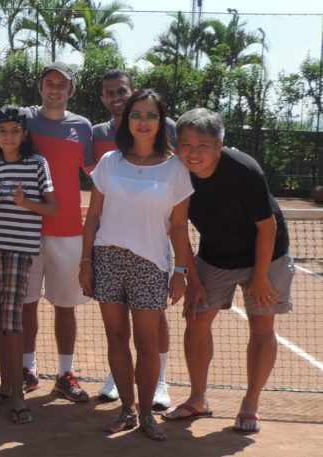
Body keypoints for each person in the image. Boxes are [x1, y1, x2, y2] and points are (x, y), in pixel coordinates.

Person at [164, 108, 294, 435]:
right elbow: (178, 228)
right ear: (177, 147)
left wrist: (260, 278)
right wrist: (191, 278)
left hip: (266, 254)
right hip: (216, 254)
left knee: (261, 326)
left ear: (219, 146)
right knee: (196, 320)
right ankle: (197, 399)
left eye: (203, 145)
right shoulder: (176, 172)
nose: (193, 153)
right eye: (186, 144)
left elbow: (267, 228)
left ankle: (250, 403)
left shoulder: (245, 171)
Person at [80, 89, 193, 441]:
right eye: (137, 115)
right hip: (107, 258)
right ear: (127, 120)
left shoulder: (176, 168)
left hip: (151, 265)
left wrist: (180, 272)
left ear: (161, 122)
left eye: (151, 115)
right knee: (116, 338)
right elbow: (93, 216)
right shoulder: (109, 162)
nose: (143, 122)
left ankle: (146, 414)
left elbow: (179, 226)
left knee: (147, 343)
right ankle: (127, 410)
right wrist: (86, 262)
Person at [91, 69, 174, 409]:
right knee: (117, 333)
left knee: (153, 324)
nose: (116, 98)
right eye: (109, 93)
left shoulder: (167, 131)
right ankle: (119, 380)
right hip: (110, 250)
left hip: (152, 249)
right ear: (102, 98)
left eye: (121, 91)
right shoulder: (97, 135)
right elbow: (96, 202)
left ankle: (159, 381)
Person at [0, 106, 58, 424]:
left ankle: (18, 398)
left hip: (19, 252)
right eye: (3, 131)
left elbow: (53, 208)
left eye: (14, 131)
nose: (8, 137)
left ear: (24, 135)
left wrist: (27, 203)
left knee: (12, 323)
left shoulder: (37, 164)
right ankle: (6, 385)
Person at [23, 62, 93, 402]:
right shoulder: (23, 119)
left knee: (65, 306)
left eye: (61, 84)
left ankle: (65, 374)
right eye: (49, 82)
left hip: (67, 231)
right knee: (26, 303)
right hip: (25, 227)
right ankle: (27, 369)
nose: (54, 89)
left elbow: (97, 172)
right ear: (40, 87)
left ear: (71, 91)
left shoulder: (82, 127)